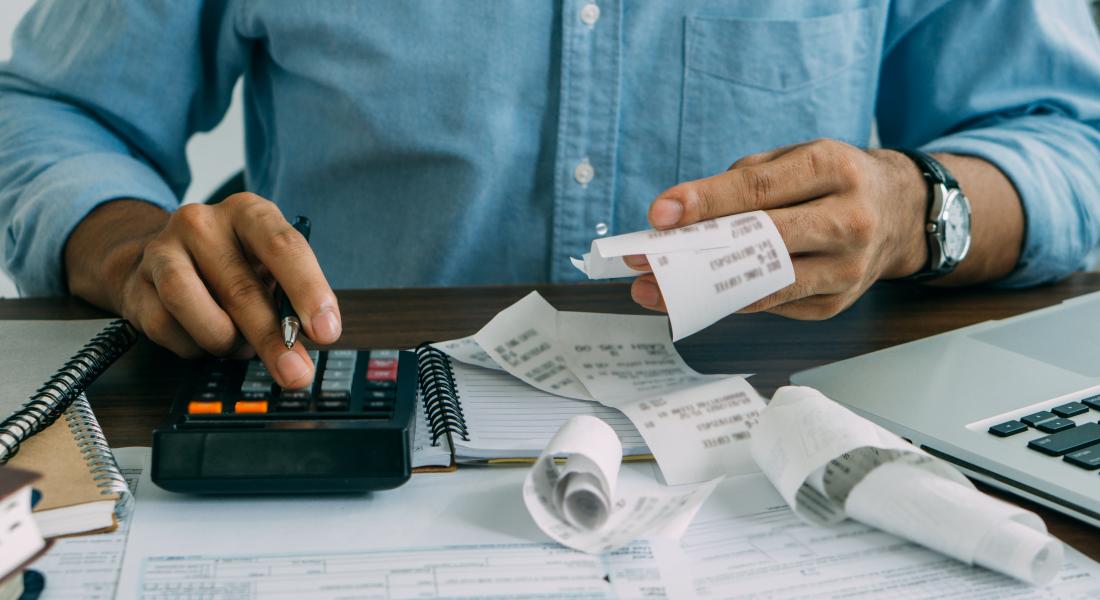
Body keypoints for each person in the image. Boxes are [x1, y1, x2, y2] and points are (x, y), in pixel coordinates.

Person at [2, 1, 1099, 390]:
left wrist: (917, 206)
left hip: (764, 460)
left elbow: (1067, 139)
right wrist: (134, 245)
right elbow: (47, 109)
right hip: (343, 419)